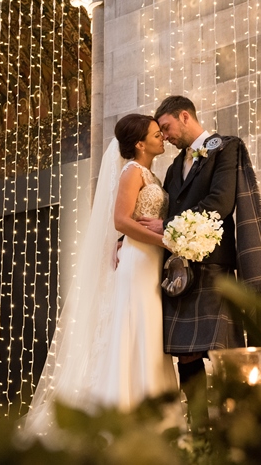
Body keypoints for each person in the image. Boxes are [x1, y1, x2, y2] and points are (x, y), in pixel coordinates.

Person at [23, 114, 178, 437]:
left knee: (148, 330)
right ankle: (126, 412)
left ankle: (152, 411)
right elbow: (121, 221)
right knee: (136, 327)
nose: (161, 137)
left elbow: (135, 220)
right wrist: (166, 240)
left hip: (149, 260)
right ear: (139, 143)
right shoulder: (131, 172)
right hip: (138, 261)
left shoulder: (151, 174)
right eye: (155, 134)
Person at [139, 96, 261, 431]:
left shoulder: (224, 147)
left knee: (227, 353)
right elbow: (160, 211)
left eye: (167, 128)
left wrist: (169, 225)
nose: (165, 136)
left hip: (214, 267)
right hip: (180, 271)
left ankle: (243, 428)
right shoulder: (175, 167)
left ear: (184, 116)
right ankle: (199, 431)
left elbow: (220, 203)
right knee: (185, 354)